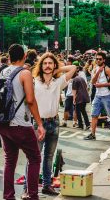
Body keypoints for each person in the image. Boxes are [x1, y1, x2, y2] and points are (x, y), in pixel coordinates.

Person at [0, 44, 45, 200]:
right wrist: (39, 123)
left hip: (3, 122)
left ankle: (8, 196)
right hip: (20, 123)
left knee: (9, 160)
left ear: (9, 57)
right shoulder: (25, 73)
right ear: (24, 56)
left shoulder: (4, 71)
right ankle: (32, 195)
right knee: (35, 158)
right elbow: (30, 100)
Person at [30, 52, 76, 196]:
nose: (48, 66)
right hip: (39, 123)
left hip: (54, 122)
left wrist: (58, 70)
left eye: (50, 63)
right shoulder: (34, 81)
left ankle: (46, 185)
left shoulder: (58, 82)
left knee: (49, 156)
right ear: (40, 65)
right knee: (34, 156)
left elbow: (73, 68)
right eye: (45, 63)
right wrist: (39, 124)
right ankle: (29, 187)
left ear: (54, 65)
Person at [84, 52, 110, 140]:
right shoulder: (95, 68)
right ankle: (92, 134)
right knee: (94, 115)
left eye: (100, 59)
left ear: (104, 60)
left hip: (106, 96)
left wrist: (102, 85)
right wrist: (98, 72)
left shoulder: (107, 69)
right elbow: (93, 82)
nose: (98, 60)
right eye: (97, 59)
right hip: (98, 95)